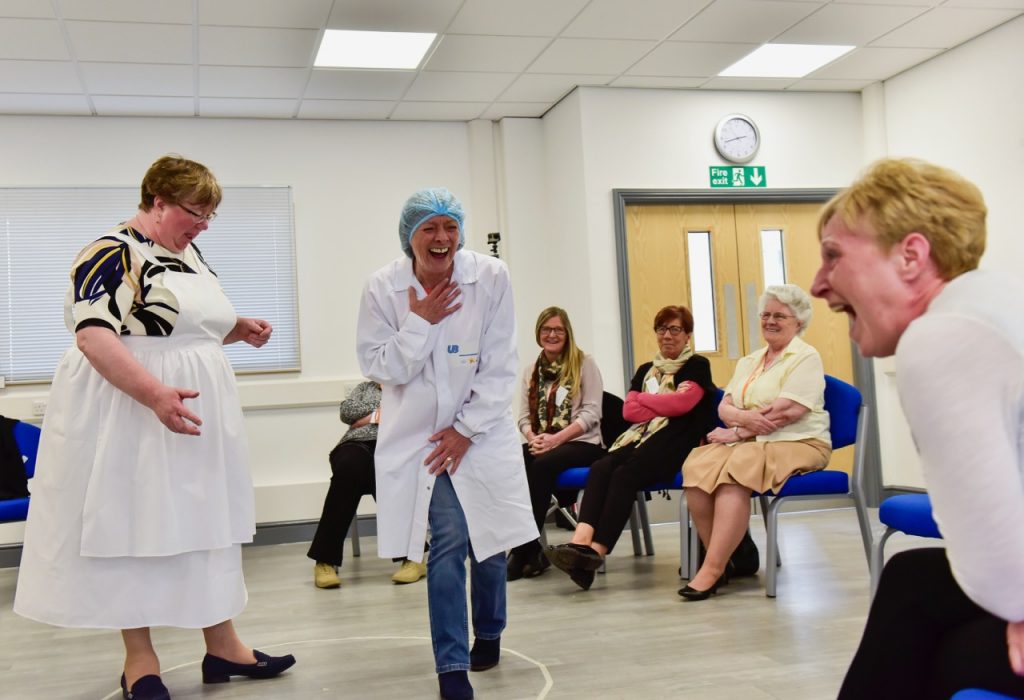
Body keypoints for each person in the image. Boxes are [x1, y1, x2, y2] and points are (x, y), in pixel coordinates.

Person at [13, 155, 295, 700]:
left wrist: (236, 328)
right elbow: (95, 337)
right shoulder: (110, 253)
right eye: (195, 212)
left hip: (192, 413)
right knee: (132, 527)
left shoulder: (187, 253)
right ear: (157, 201)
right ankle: (139, 662)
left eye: (211, 216)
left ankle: (224, 646)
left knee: (205, 521)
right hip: (133, 412)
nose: (203, 225)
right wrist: (154, 395)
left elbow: (179, 326)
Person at [810, 158, 1024, 699]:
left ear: (911, 255)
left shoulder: (943, 338)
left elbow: (1005, 576)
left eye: (833, 256)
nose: (818, 285)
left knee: (943, 654)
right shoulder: (995, 302)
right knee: (913, 581)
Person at [357, 188, 536, 700]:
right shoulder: (383, 288)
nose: (442, 239)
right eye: (429, 229)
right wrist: (421, 322)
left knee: (492, 545)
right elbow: (380, 367)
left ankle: (492, 630)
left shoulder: (490, 277)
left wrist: (466, 429)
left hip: (481, 431)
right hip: (420, 439)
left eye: (450, 228)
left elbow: (500, 365)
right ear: (408, 236)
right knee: (450, 540)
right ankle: (451, 666)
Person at [545, 305, 716, 590]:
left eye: (675, 329)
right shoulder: (646, 370)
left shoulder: (697, 365)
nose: (667, 336)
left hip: (678, 440)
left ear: (687, 335)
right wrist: (663, 402)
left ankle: (595, 554)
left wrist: (649, 401)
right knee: (601, 467)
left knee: (626, 474)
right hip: (641, 437)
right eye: (662, 329)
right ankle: (580, 543)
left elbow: (681, 405)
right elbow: (628, 412)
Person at [681, 284, 830, 601]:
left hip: (800, 442)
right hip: (755, 442)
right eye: (766, 314)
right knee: (697, 463)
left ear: (798, 322)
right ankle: (725, 560)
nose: (770, 321)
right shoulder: (750, 360)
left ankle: (710, 570)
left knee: (737, 466)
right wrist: (743, 421)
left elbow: (787, 412)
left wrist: (737, 429)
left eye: (780, 315)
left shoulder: (806, 357)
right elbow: (724, 406)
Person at [508, 306, 605, 581]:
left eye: (558, 330)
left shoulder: (585, 363)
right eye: (546, 329)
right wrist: (533, 438)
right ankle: (529, 549)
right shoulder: (531, 371)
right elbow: (524, 417)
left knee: (541, 465)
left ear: (567, 333)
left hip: (583, 443)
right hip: (544, 443)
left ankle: (524, 548)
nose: (552, 334)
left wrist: (556, 440)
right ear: (538, 333)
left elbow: (591, 413)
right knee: (515, 460)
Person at [306, 381, 427, 589]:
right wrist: (384, 412)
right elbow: (346, 411)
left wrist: (370, 418)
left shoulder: (411, 386)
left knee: (384, 471)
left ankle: (412, 558)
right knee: (350, 468)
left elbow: (415, 415)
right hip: (355, 443)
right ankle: (325, 561)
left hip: (394, 445)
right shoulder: (364, 388)